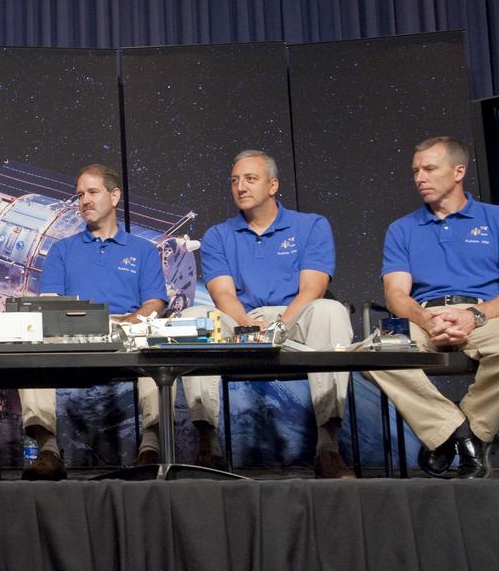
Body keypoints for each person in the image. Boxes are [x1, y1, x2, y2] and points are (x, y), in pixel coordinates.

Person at [151, 149, 354, 477]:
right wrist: (249, 325)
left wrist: (281, 326)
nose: (240, 187)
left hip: (296, 314)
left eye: (250, 179)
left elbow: (312, 289)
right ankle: (208, 442)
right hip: (243, 318)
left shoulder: (311, 226)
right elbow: (222, 294)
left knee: (329, 311)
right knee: (194, 318)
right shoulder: (219, 235)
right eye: (235, 181)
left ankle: (328, 445)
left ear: (273, 185)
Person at [365, 136, 499, 479]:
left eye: (429, 169)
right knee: (368, 353)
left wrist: (473, 316)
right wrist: (426, 319)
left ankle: (467, 433)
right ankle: (458, 433)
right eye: (415, 170)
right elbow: (396, 295)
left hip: (486, 315)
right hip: (423, 316)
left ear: (458, 171)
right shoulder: (402, 229)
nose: (420, 177)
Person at [27, 164, 168, 480]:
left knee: (154, 339)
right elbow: (50, 304)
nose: (84, 201)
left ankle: (151, 447)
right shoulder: (62, 250)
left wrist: (129, 323)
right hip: (75, 328)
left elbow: (155, 302)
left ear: (114, 195)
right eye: (80, 195)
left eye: (92, 192)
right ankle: (47, 449)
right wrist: (80, 322)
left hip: (127, 328)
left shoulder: (143, 251)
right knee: (33, 342)